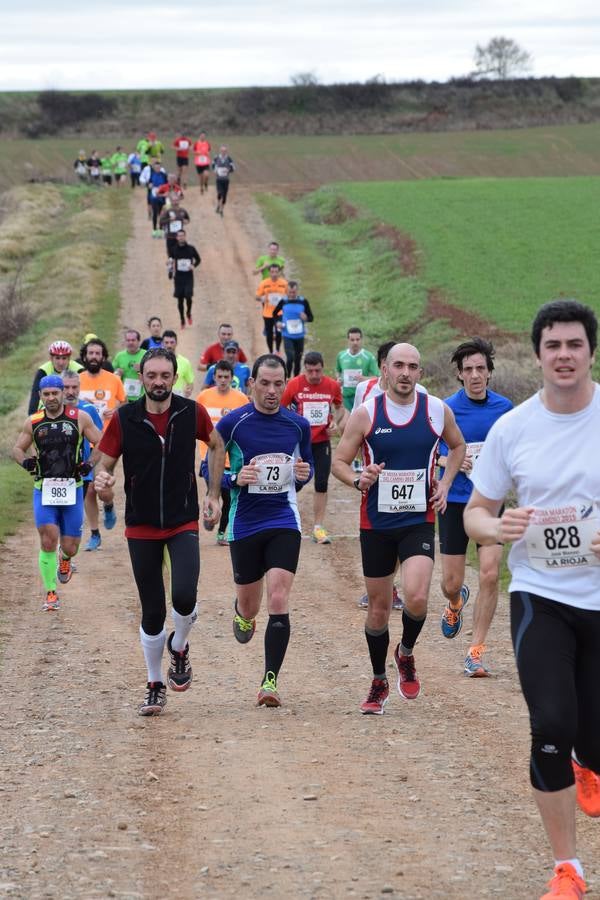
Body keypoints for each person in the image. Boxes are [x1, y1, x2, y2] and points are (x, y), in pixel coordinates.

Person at [464, 300, 600, 900]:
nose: (564, 355)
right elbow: (475, 513)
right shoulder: (512, 428)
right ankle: (567, 869)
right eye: (554, 346)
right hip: (541, 595)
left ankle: (589, 760)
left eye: (575, 344)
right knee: (550, 722)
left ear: (590, 351)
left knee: (590, 732)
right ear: (538, 354)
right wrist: (497, 530)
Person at [332, 343, 465, 715]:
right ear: (385, 370)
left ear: (420, 372)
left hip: (418, 520)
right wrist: (360, 478)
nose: (406, 373)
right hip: (375, 522)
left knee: (417, 597)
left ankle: (405, 651)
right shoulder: (367, 413)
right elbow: (339, 461)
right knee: (377, 608)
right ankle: (378, 680)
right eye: (399, 366)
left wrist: (445, 483)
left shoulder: (436, 410)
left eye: (413, 367)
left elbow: (457, 447)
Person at [94, 347, 225, 716]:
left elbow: (216, 445)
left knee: (184, 596)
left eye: (165, 375)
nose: (158, 382)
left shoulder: (191, 411)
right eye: (151, 375)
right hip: (142, 525)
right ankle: (154, 684)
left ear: (173, 377)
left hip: (182, 519)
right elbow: (104, 467)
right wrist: (103, 482)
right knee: (152, 610)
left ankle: (179, 646)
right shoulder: (125, 419)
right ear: (141, 376)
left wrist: (213, 494)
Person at [216, 354, 313, 707]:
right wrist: (231, 478)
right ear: (251, 384)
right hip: (244, 523)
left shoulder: (297, 425)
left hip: (283, 520)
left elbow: (307, 468)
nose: (272, 391)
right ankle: (242, 614)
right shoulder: (233, 423)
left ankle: (269, 681)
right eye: (265, 383)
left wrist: (304, 475)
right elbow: (205, 466)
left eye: (279, 384)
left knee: (278, 597)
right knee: (251, 604)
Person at [437, 338, 513, 677]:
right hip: (454, 502)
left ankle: (476, 652)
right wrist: (452, 457)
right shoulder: (444, 409)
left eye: (481, 368)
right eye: (468, 369)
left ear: (490, 372)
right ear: (459, 374)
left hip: (489, 503)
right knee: (450, 582)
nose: (475, 375)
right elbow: (430, 453)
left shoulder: (505, 409)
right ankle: (455, 602)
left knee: (491, 574)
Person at [12, 374, 103, 610]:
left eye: (55, 393)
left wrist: (89, 464)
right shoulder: (33, 421)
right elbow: (17, 449)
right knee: (48, 536)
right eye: (47, 394)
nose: (51, 398)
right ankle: (51, 593)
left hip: (73, 488)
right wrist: (26, 463)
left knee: (70, 545)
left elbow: (101, 443)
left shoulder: (79, 418)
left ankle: (65, 559)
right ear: (40, 396)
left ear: (63, 393)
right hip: (44, 489)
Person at [281, 351, 347, 544]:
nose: (314, 375)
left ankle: (318, 527)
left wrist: (336, 422)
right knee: (294, 482)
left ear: (323, 368)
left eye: (318, 371)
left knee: (321, 483)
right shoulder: (294, 385)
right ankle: (283, 519)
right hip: (298, 443)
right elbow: (281, 409)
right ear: (305, 369)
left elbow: (340, 407)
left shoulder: (332, 385)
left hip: (322, 442)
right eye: (310, 371)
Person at [79, 338, 126, 549]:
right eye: (91, 353)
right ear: (85, 356)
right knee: (89, 489)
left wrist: (115, 410)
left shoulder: (113, 380)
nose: (94, 357)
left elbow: (124, 402)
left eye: (98, 353)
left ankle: (108, 504)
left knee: (100, 487)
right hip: (82, 443)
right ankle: (95, 534)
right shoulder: (77, 380)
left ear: (103, 357)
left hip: (107, 441)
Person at [196, 360, 248, 545]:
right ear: (214, 377)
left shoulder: (241, 399)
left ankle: (221, 532)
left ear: (232, 378)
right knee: (217, 490)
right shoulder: (203, 397)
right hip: (208, 457)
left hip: (231, 458)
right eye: (220, 377)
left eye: (227, 377)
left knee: (228, 496)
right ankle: (210, 505)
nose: (223, 380)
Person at [62, 370, 104, 503]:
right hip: (54, 473)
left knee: (73, 515)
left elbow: (100, 441)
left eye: (74, 387)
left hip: (81, 473)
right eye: (66, 387)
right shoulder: (49, 410)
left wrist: (90, 464)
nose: (70, 391)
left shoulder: (88, 409)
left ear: (79, 387)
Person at [272, 282, 314, 377]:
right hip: (287, 335)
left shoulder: (303, 302)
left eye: (294, 292)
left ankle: (295, 379)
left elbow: (311, 318)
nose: (292, 294)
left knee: (298, 359)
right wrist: (278, 322)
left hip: (300, 336)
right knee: (290, 358)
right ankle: (287, 379)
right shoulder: (283, 301)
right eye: (290, 292)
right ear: (287, 291)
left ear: (297, 291)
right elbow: (274, 314)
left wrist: (306, 318)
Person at [29, 340, 83, 415]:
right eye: (57, 358)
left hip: (73, 405)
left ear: (69, 358)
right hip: (48, 407)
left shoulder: (79, 369)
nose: (61, 363)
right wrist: (31, 416)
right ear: (51, 358)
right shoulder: (43, 371)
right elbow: (35, 396)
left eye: (64, 358)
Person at [336, 327, 379, 412]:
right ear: (348, 340)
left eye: (357, 339)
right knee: (347, 423)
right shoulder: (341, 355)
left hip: (362, 396)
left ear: (361, 340)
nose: (355, 342)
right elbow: (338, 371)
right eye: (352, 340)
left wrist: (364, 379)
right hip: (346, 397)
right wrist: (338, 378)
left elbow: (377, 378)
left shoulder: (368, 357)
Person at [168, 229, 200, 328]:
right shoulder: (174, 249)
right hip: (178, 277)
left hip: (188, 276)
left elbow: (198, 259)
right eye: (179, 236)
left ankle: (188, 313)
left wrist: (194, 265)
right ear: (177, 238)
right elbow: (170, 260)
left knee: (188, 296)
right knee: (180, 300)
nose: (181, 237)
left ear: (185, 236)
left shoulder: (191, 249)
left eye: (182, 235)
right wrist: (169, 272)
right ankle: (182, 319)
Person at [255, 264, 288, 354]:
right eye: (272, 272)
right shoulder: (264, 283)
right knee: (269, 334)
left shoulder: (284, 283)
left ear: (279, 272)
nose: (274, 274)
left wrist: (285, 298)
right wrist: (262, 299)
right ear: (269, 272)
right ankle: (270, 351)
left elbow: (289, 295)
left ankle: (277, 350)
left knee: (279, 332)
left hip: (280, 312)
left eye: (276, 272)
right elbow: (257, 296)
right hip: (268, 313)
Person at [113, 330, 146, 403]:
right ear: (125, 342)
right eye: (128, 340)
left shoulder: (146, 355)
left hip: (141, 397)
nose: (130, 342)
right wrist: (117, 373)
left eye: (133, 340)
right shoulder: (119, 356)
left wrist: (142, 369)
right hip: (124, 398)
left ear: (138, 341)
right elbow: (112, 375)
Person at [161, 330, 194, 397]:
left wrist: (188, 390)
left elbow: (190, 382)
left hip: (178, 400)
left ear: (176, 343)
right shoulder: (156, 362)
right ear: (162, 343)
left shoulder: (185, 362)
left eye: (172, 342)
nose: (169, 345)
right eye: (166, 342)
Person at [140, 160, 168, 235]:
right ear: (154, 168)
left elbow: (167, 185)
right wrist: (149, 185)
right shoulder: (152, 175)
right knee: (155, 213)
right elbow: (149, 184)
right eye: (156, 167)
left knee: (162, 213)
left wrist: (165, 192)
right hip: (154, 196)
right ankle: (154, 229)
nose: (157, 169)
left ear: (160, 167)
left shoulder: (163, 175)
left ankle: (161, 229)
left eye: (158, 167)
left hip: (162, 196)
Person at [159, 196, 190, 262]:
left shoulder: (183, 211)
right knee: (170, 254)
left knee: (181, 253)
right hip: (170, 236)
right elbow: (161, 221)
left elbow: (188, 220)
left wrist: (185, 221)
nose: (175, 202)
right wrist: (169, 219)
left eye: (177, 200)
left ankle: (178, 268)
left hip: (180, 237)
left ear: (179, 201)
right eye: (174, 200)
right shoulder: (168, 211)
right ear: (171, 201)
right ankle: (170, 268)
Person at [212, 146, 235, 216]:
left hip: (226, 179)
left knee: (224, 195)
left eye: (225, 151)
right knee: (220, 193)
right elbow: (213, 165)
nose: (223, 152)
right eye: (222, 151)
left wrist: (229, 170)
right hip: (219, 179)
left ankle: (222, 210)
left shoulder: (229, 159)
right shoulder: (216, 158)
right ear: (220, 151)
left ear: (226, 151)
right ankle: (218, 204)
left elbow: (233, 168)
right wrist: (215, 171)